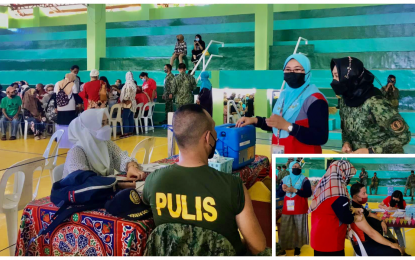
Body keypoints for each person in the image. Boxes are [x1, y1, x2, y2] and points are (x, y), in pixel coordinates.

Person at [142, 104, 266, 256]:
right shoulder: (233, 186)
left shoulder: (153, 181)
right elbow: (258, 247)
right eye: (214, 129)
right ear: (208, 137)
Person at [236, 54, 329, 154]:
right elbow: (276, 124)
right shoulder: (284, 95)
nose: (292, 73)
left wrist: (288, 126)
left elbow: (320, 137)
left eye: (297, 69)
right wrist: (254, 120)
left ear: (307, 72)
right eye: (288, 69)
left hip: (303, 161)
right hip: (280, 158)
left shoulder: (315, 99)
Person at [330, 57, 411, 154]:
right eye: (333, 75)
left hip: (383, 163)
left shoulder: (375, 102)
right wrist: (346, 143)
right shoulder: (345, 100)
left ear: (351, 76)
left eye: (337, 75)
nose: (334, 80)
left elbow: (404, 136)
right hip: (358, 160)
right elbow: (346, 130)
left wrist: (371, 151)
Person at [64, 108, 145, 181]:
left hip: (104, 193)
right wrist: (117, 186)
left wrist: (131, 166)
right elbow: (84, 182)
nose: (107, 127)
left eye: (107, 122)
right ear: (89, 127)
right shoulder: (76, 152)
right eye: (102, 123)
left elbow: (121, 157)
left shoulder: (106, 144)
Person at [309, 160, 361, 256]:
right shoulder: (338, 192)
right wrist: (356, 216)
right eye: (349, 175)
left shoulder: (323, 186)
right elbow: (346, 217)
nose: (349, 178)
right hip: (330, 240)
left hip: (319, 236)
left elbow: (333, 208)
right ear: (342, 173)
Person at [350, 183, 403, 256]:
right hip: (363, 245)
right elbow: (372, 233)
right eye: (364, 193)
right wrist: (390, 244)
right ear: (355, 196)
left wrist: (381, 220)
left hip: (369, 240)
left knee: (393, 241)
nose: (366, 195)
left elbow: (369, 214)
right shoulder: (356, 211)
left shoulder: (358, 206)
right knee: (395, 251)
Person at [276, 161, 312, 256]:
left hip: (300, 208)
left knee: (299, 229)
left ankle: (297, 248)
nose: (296, 167)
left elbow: (308, 193)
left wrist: (295, 190)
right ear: (291, 168)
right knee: (285, 229)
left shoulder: (304, 179)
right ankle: (283, 248)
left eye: (298, 166)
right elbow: (279, 193)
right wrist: (282, 190)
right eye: (294, 166)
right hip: (287, 209)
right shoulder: (285, 179)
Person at [378, 190, 409, 254]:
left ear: (400, 199)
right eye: (394, 199)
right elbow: (379, 205)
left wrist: (396, 209)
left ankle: (402, 248)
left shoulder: (403, 202)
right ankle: (394, 240)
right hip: (386, 217)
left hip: (396, 219)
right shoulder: (389, 198)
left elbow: (404, 211)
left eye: (397, 200)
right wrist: (387, 208)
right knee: (383, 227)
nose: (395, 201)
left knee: (397, 229)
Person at [119, 72, 137, 137]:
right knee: (130, 117)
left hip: (128, 102)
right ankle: (130, 131)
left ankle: (126, 132)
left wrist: (125, 99)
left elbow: (128, 92)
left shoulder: (128, 83)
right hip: (133, 101)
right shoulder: (133, 84)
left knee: (125, 117)